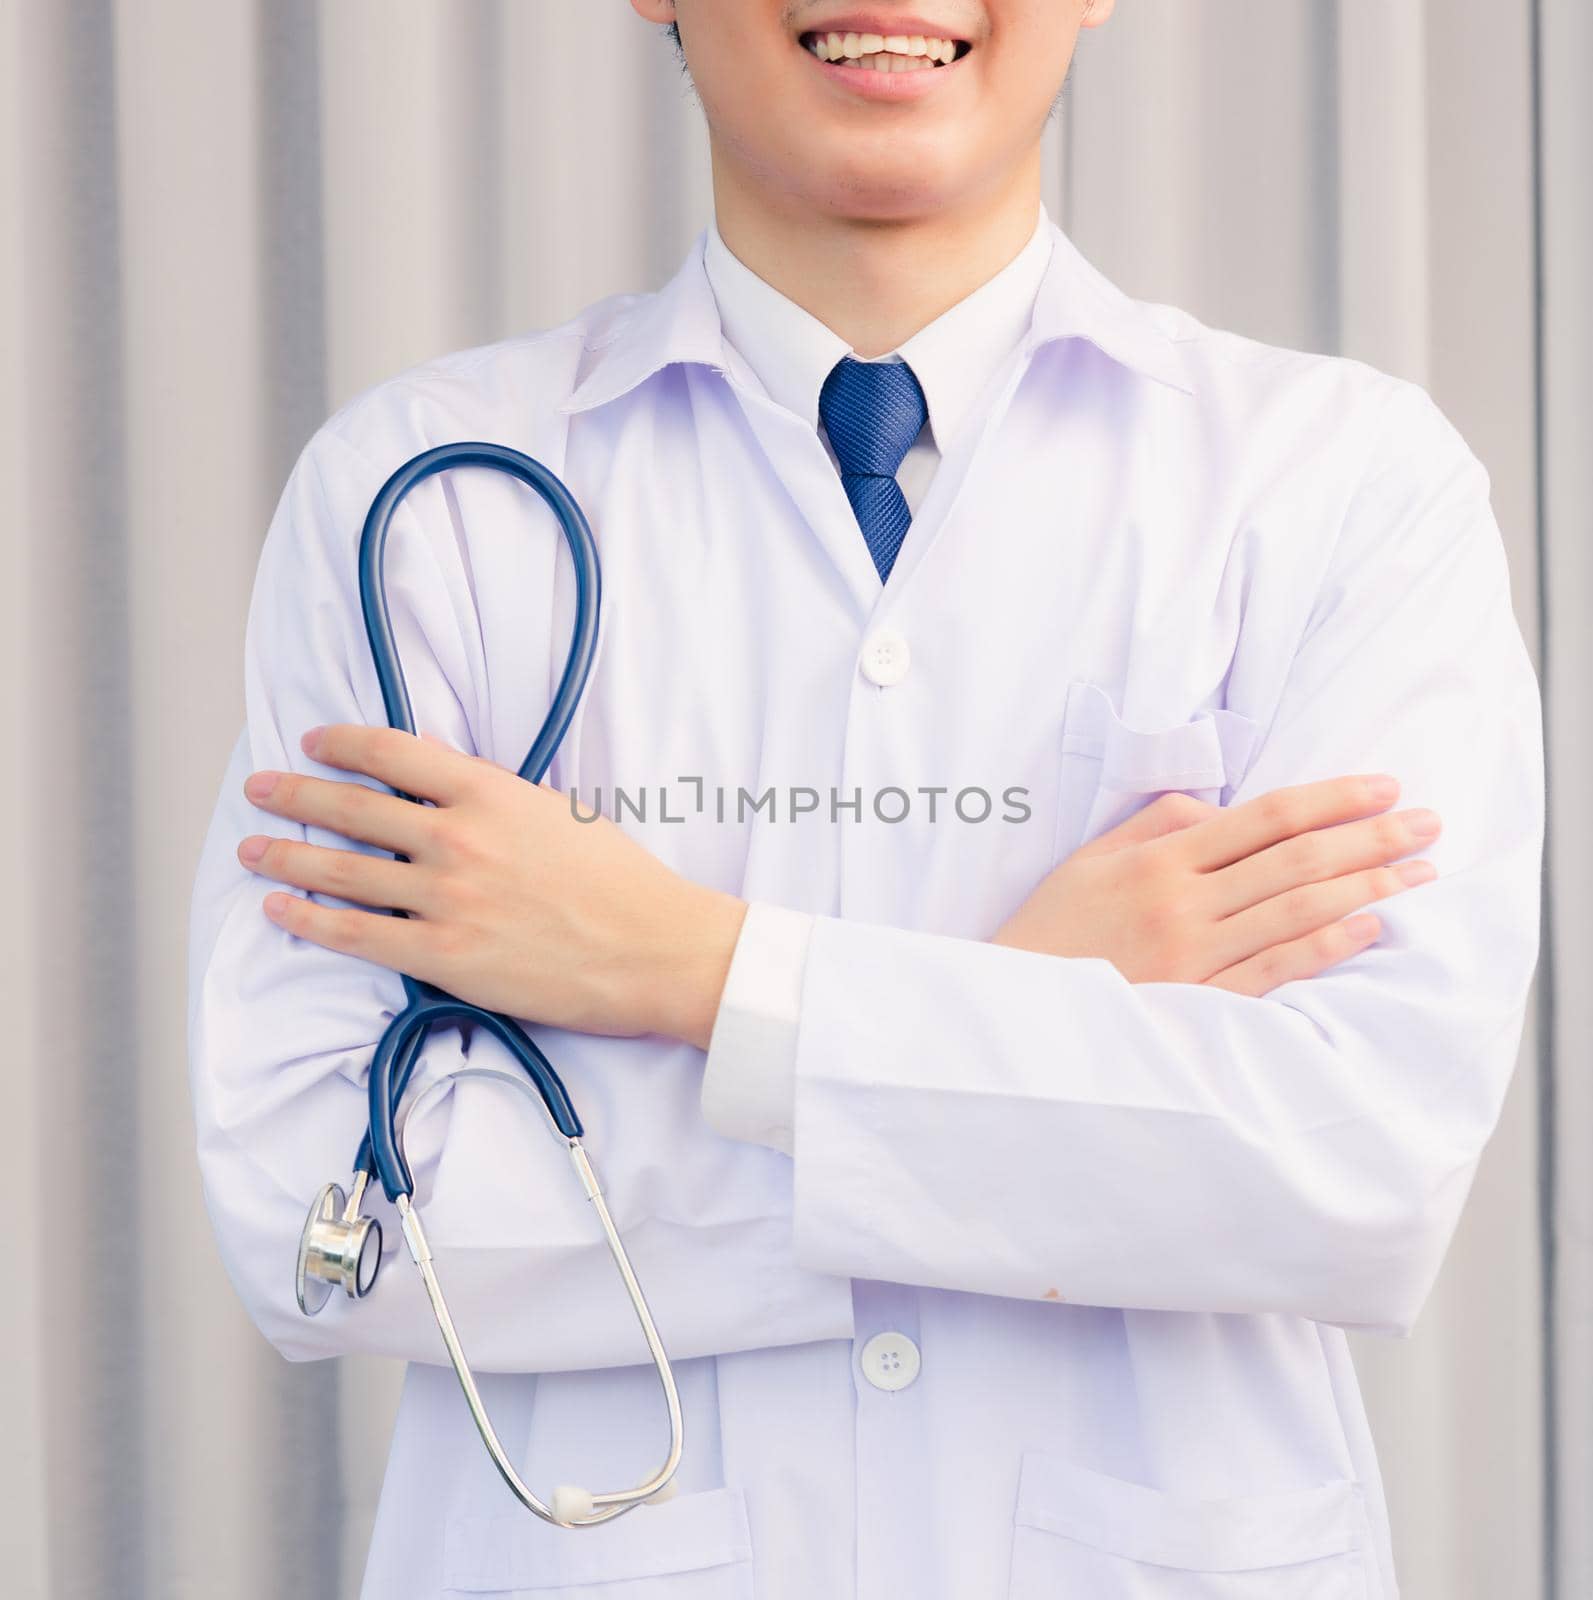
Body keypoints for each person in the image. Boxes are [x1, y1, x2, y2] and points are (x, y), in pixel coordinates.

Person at [186, 3, 1544, 1596]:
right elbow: (323, 1221)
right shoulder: (427, 499)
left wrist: (691, 971)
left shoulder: (1340, 487)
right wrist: (1036, 1025)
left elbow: (1349, 1176)